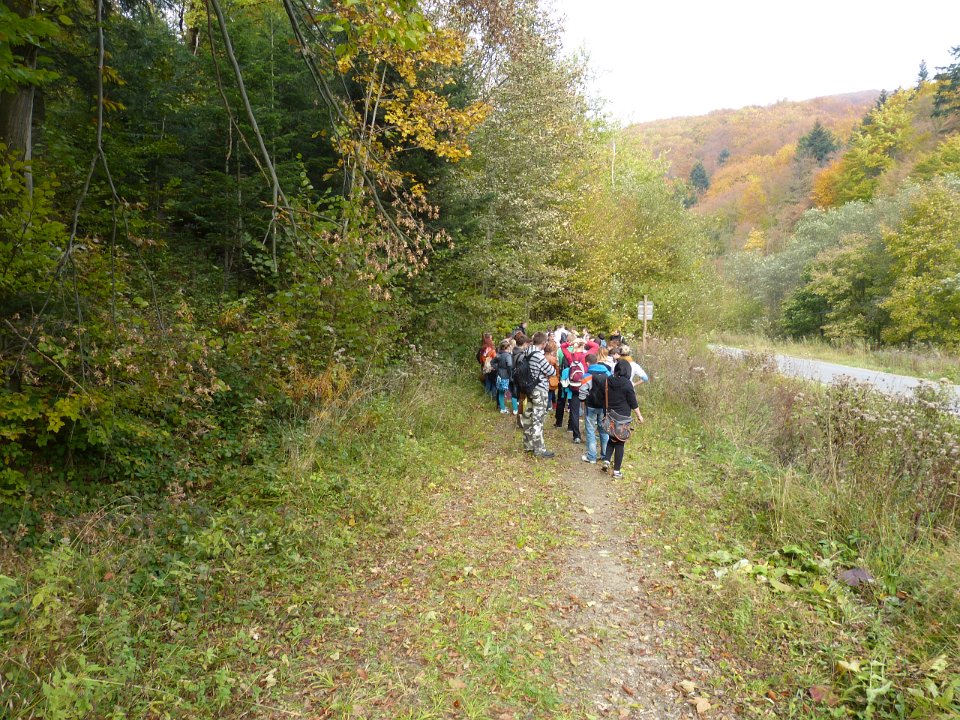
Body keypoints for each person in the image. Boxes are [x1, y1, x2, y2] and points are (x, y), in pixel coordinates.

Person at [600, 360, 644, 479]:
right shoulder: (627, 384)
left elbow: (603, 396)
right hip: (623, 418)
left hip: (610, 415)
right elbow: (633, 402)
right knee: (620, 443)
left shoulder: (608, 380)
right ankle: (616, 472)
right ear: (628, 371)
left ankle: (606, 460)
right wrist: (639, 416)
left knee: (612, 438)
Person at [518, 331, 556, 458]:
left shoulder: (527, 352)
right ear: (543, 343)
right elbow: (551, 371)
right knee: (537, 419)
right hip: (540, 390)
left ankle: (528, 445)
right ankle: (539, 449)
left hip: (529, 388)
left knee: (528, 417)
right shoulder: (538, 355)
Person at [559, 335, 599, 443]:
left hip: (574, 387)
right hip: (585, 386)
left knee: (574, 412)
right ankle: (589, 433)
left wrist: (570, 343)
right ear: (583, 346)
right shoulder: (586, 356)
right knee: (588, 411)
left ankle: (576, 436)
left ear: (574, 346)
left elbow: (562, 347)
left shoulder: (570, 357)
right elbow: (596, 346)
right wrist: (585, 341)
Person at [579, 353, 611, 464]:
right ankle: (605, 456)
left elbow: (582, 391)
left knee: (590, 431)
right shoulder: (608, 373)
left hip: (591, 406)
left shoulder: (587, 375)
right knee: (604, 431)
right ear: (597, 361)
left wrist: (582, 402)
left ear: (587, 363)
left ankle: (591, 456)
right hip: (604, 407)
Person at [492, 339, 515, 413]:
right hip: (505, 375)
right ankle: (504, 408)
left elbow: (492, 362)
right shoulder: (508, 356)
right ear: (506, 348)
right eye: (509, 347)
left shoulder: (498, 354)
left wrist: (497, 368)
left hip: (498, 375)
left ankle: (502, 407)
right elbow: (510, 365)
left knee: (500, 392)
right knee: (504, 391)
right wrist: (510, 374)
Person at [477, 333, 496, 400]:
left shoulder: (482, 349)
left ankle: (486, 396)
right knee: (493, 383)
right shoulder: (490, 349)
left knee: (487, 382)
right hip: (491, 367)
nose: (492, 340)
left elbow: (478, 357)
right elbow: (495, 358)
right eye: (491, 339)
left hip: (485, 367)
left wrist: (482, 363)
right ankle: (493, 397)